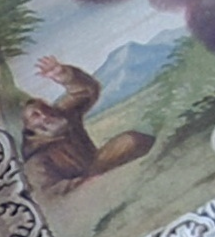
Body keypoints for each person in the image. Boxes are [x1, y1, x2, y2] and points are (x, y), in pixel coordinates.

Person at [20, 58, 154, 193]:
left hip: (98, 165)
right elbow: (48, 191)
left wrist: (64, 75)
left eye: (45, 108)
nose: (44, 115)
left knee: (130, 140)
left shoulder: (64, 116)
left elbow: (86, 91)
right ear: (28, 127)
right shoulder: (35, 155)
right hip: (81, 191)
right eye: (35, 115)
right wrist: (82, 184)